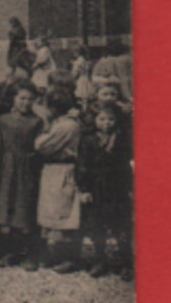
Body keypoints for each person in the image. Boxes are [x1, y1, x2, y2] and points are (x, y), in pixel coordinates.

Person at [76, 104, 134, 278]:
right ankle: (100, 260)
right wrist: (84, 189)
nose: (106, 123)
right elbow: (82, 165)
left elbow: (127, 165)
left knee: (120, 225)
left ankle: (125, 263)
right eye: (101, 119)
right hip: (96, 186)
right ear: (94, 120)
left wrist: (130, 187)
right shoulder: (88, 139)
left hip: (117, 186)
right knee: (97, 224)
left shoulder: (122, 138)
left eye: (111, 119)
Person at [0, 79, 42, 268]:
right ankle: (10, 251)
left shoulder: (37, 121)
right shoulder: (3, 120)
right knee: (7, 208)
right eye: (21, 98)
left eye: (30, 99)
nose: (25, 103)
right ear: (13, 99)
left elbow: (40, 148)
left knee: (25, 208)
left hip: (27, 169)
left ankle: (30, 253)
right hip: (7, 168)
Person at [34, 84, 84, 272]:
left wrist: (42, 135)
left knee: (66, 214)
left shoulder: (66, 126)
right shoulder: (61, 123)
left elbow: (42, 145)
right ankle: (56, 254)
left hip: (62, 169)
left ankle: (71, 257)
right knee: (53, 212)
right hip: (52, 170)